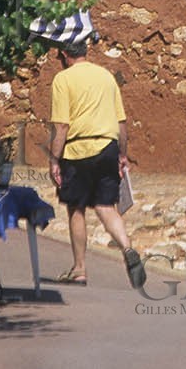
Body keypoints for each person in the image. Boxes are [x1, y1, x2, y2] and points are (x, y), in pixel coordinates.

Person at [48, 33, 145, 288]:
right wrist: (122, 155)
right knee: (105, 206)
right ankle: (127, 248)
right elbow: (121, 122)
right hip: (107, 146)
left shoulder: (63, 79)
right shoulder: (106, 76)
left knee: (76, 208)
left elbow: (61, 126)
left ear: (65, 55)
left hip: (77, 151)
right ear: (84, 52)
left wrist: (54, 160)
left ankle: (79, 269)